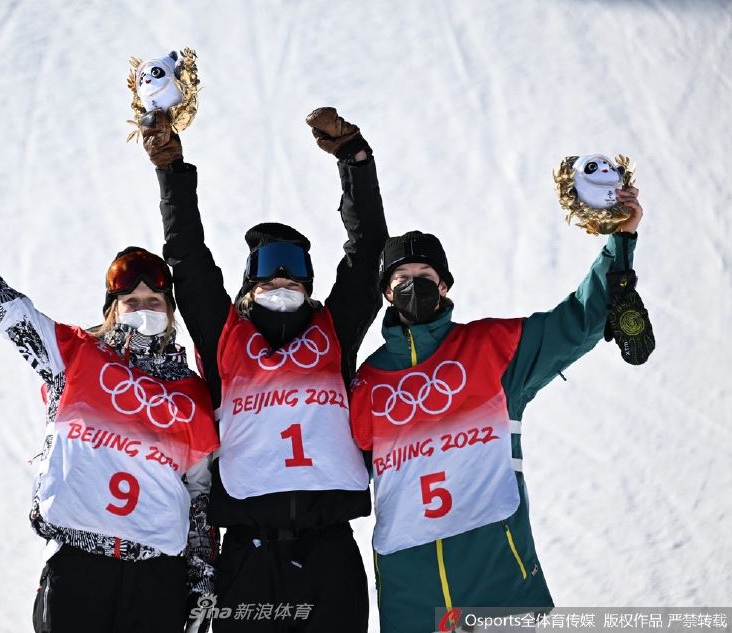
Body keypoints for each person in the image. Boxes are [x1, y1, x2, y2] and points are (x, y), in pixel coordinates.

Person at [0, 177, 220, 633]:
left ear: (171, 312)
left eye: (154, 301)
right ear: (112, 310)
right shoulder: (72, 357)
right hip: (78, 566)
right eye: (131, 301)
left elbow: (199, 495)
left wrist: (202, 578)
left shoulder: (192, 393)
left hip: (157, 577)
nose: (143, 309)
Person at [349, 188, 644, 632]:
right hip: (410, 599)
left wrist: (619, 242)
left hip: (500, 586)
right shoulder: (367, 382)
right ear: (387, 293)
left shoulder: (492, 349)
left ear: (444, 284)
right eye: (401, 276)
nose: (413, 283)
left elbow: (577, 320)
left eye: (424, 273)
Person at [139, 107, 389, 632]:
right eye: (270, 271)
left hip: (329, 551)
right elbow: (187, 259)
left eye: (295, 271)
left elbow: (368, 256)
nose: (282, 281)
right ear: (248, 284)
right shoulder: (227, 336)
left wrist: (354, 158)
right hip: (248, 557)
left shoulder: (332, 333)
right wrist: (172, 171)